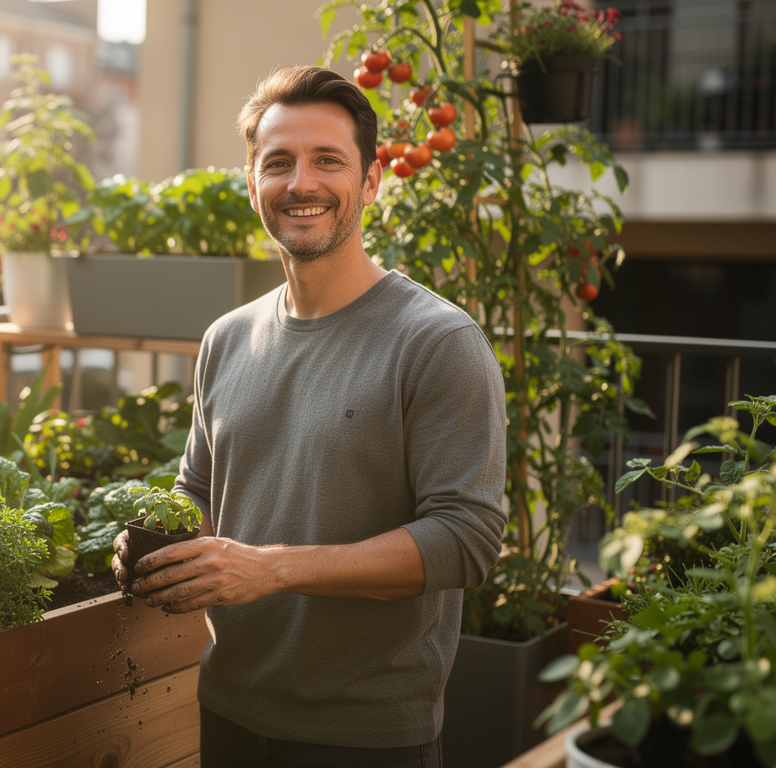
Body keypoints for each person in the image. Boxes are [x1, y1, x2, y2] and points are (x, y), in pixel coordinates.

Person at [113, 65, 508, 768]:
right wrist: (161, 547)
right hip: (229, 709)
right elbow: (200, 493)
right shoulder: (226, 338)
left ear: (372, 179)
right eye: (279, 163)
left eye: (329, 160)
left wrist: (270, 570)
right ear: (251, 181)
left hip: (367, 737)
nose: (302, 184)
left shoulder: (437, 342)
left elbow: (466, 540)